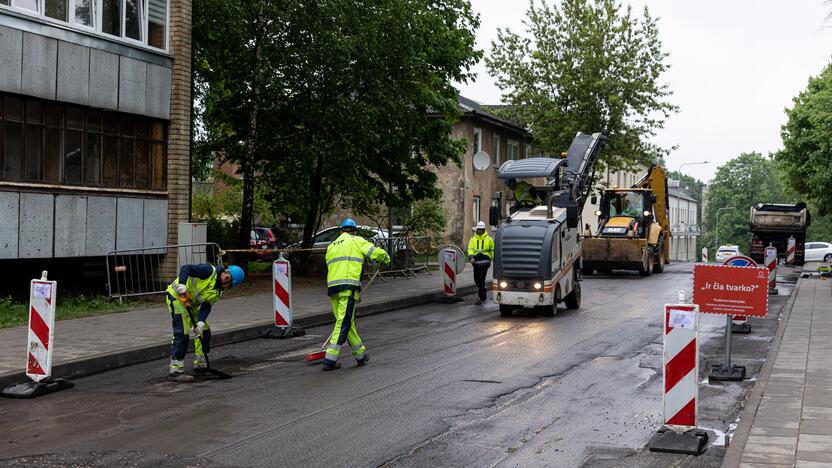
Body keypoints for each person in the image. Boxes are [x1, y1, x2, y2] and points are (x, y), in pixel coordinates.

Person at [323, 218, 391, 371]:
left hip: (333, 288)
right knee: (343, 323)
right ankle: (329, 359)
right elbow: (374, 252)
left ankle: (360, 355)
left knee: (347, 323)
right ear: (353, 231)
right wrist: (386, 257)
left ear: (341, 231)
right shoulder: (356, 240)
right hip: (348, 287)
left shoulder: (332, 246)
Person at [166, 263, 245, 381]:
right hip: (176, 297)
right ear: (227, 278)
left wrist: (201, 323)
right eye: (229, 285)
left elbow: (206, 306)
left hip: (189, 304)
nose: (227, 288)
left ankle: (200, 363)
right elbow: (186, 268)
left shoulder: (218, 291)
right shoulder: (208, 271)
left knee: (205, 331)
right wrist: (182, 285)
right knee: (183, 333)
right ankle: (175, 370)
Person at [467, 221, 495, 305]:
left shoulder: (489, 239)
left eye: (481, 229)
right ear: (477, 229)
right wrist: (471, 257)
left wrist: (492, 258)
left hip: (485, 262)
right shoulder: (473, 239)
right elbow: (470, 249)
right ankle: (483, 290)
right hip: (476, 262)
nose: (480, 231)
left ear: (484, 230)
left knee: (482, 279)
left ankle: (480, 297)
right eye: (479, 229)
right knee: (477, 280)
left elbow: (492, 249)